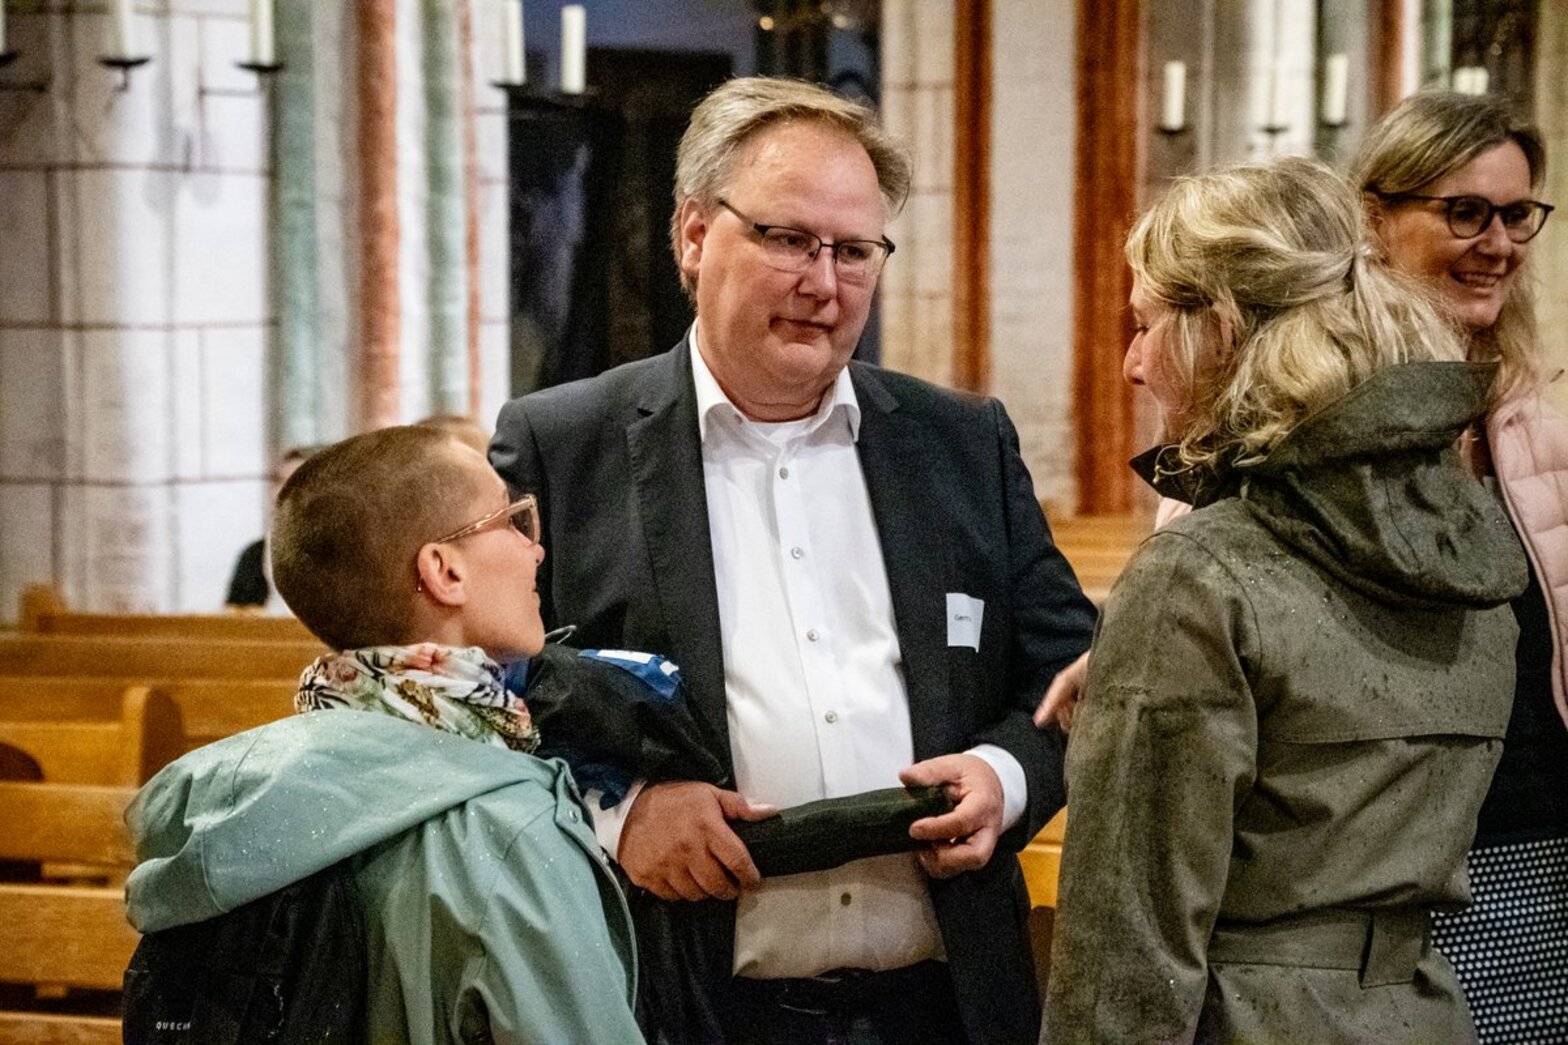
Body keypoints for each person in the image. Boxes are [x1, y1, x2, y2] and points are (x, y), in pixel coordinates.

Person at [490, 76, 1097, 1045]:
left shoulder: (957, 442)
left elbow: (1076, 675)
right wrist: (621, 806)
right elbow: (484, 686)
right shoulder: (563, 446)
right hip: (683, 1002)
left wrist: (1003, 774)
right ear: (693, 235)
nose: (822, 282)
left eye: (853, 250)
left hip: (941, 1002)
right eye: (786, 239)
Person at [1043, 155, 1526, 1043]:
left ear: (1219, 328)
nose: (1132, 363)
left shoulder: (1198, 575)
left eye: (1146, 324)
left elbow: (1129, 947)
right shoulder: (1474, 548)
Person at [124, 425, 645, 1045]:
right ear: (443, 571)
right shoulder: (511, 830)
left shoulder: (226, 803)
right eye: (510, 520)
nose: (535, 550)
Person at [1354, 90, 1567, 1042]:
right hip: (1388, 869)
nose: (1498, 243)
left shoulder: (1539, 414)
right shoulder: (1308, 414)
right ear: (1375, 218)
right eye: (1464, 212)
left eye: (1517, 214)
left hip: (1542, 845)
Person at [225, 445, 317, 612]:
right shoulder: (254, 556)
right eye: (281, 481)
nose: (285, 489)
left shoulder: (342, 557)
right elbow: (233, 620)